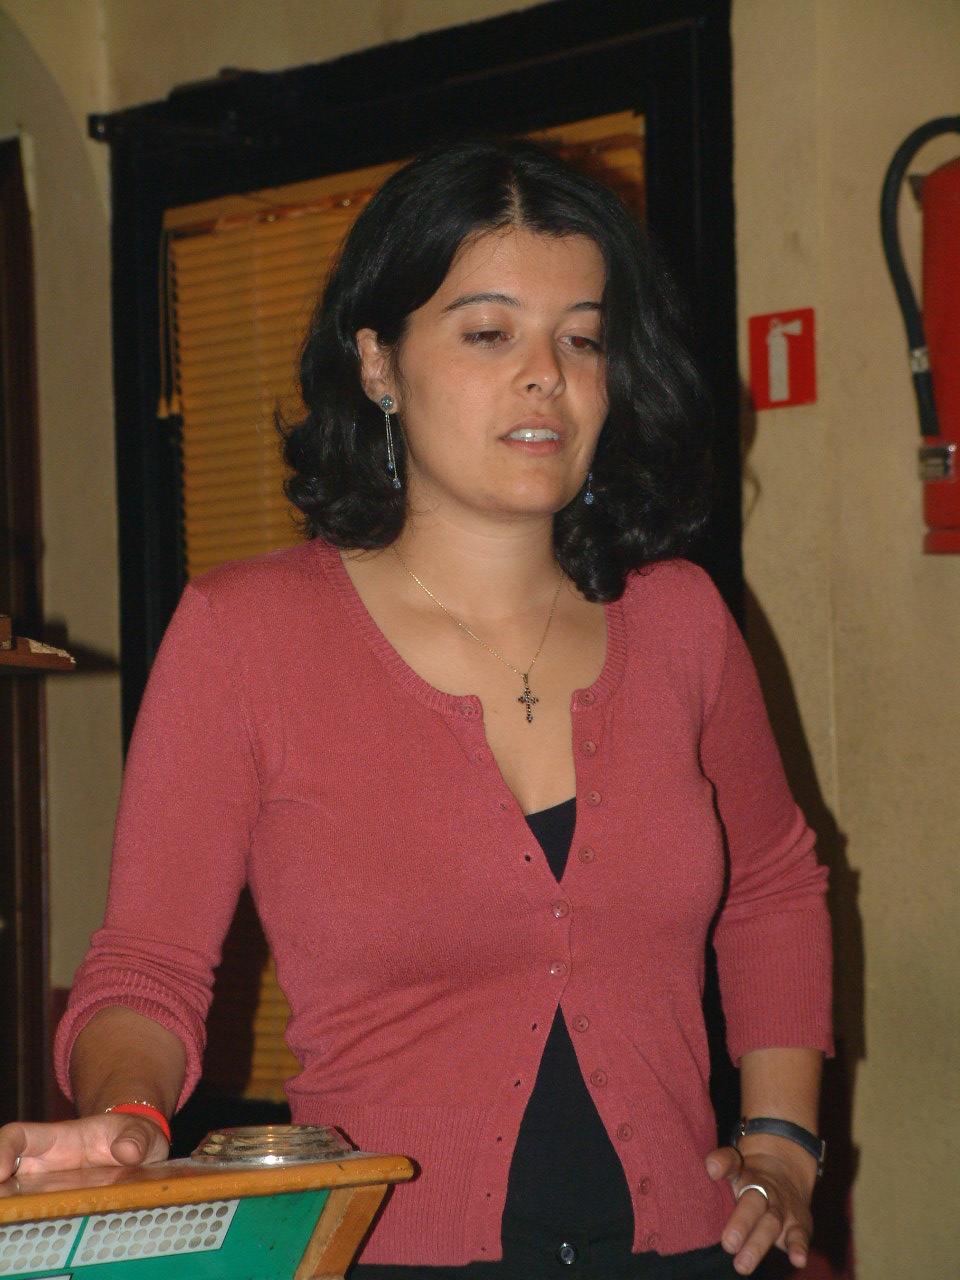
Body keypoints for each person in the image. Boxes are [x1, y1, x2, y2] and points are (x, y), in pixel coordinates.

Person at [0, 138, 831, 1279]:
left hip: (694, 1248)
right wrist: (130, 1112)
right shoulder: (246, 634)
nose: (545, 376)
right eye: (489, 333)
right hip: (386, 1253)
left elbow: (776, 883)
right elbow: (148, 966)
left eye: (582, 338)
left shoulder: (681, 619)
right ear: (378, 362)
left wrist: (784, 1143)